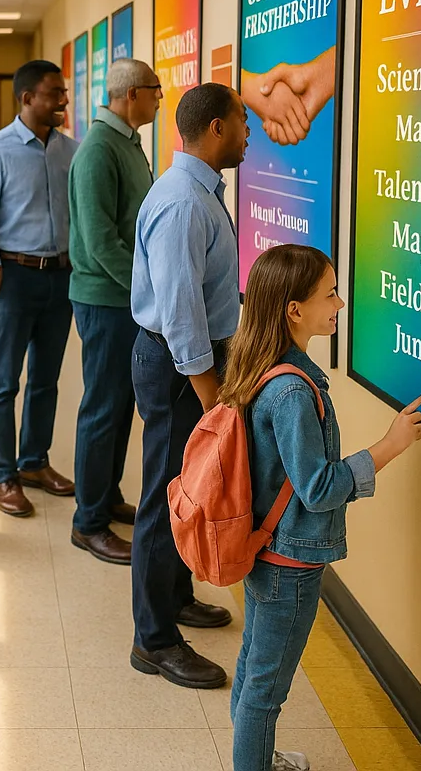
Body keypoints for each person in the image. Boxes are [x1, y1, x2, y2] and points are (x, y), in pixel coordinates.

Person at [222, 245, 421, 771]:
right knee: (264, 693)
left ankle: (260, 759)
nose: (339, 303)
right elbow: (316, 488)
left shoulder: (260, 365)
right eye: (329, 293)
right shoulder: (292, 390)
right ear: (294, 310)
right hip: (289, 562)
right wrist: (390, 445)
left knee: (252, 671)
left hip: (264, 549)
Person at [129, 82, 248, 689]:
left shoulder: (199, 192)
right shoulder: (183, 203)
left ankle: (175, 599)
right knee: (163, 500)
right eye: (244, 122)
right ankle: (152, 640)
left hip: (187, 362)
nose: (250, 133)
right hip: (180, 369)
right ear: (217, 130)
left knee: (184, 489)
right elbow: (180, 314)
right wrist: (211, 397)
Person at [0, 59, 79, 517]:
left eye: (63, 92)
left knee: (46, 380)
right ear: (28, 97)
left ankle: (34, 462)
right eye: (55, 93)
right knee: (4, 381)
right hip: (14, 277)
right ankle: (5, 475)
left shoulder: (71, 151)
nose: (63, 101)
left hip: (62, 277)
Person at [67, 58, 159, 564]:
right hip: (106, 300)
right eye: (155, 91)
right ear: (130, 96)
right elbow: (101, 240)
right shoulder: (99, 150)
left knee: (122, 406)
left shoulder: (127, 142)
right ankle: (89, 522)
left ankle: (105, 497)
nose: (160, 100)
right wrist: (147, 291)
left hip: (123, 299)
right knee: (103, 408)